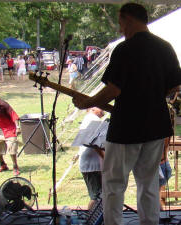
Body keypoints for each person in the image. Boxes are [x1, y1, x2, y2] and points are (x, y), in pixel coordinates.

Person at [72, 3, 181, 225]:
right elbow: (173, 87)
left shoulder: (124, 49)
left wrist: (88, 103)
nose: (120, 29)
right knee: (149, 182)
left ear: (128, 19)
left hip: (126, 128)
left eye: (121, 23)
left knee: (113, 184)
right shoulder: (165, 47)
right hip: (155, 125)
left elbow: (113, 90)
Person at [72, 107, 105, 210]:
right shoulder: (93, 120)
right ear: (92, 108)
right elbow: (94, 143)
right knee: (96, 197)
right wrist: (105, 157)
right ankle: (90, 219)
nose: (103, 108)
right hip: (92, 166)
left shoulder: (89, 119)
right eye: (100, 106)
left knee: (98, 196)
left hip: (90, 164)